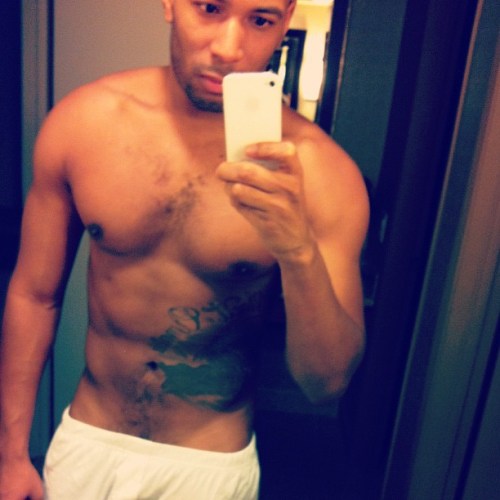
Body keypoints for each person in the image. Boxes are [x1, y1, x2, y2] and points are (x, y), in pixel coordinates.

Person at [0, 0, 369, 498]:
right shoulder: (83, 123)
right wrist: (10, 454)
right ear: (171, 3)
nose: (229, 48)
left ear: (285, 21)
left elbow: (325, 383)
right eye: (210, 8)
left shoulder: (324, 173)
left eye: (260, 20)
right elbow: (34, 295)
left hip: (208, 466)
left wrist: (297, 252)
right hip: (87, 444)